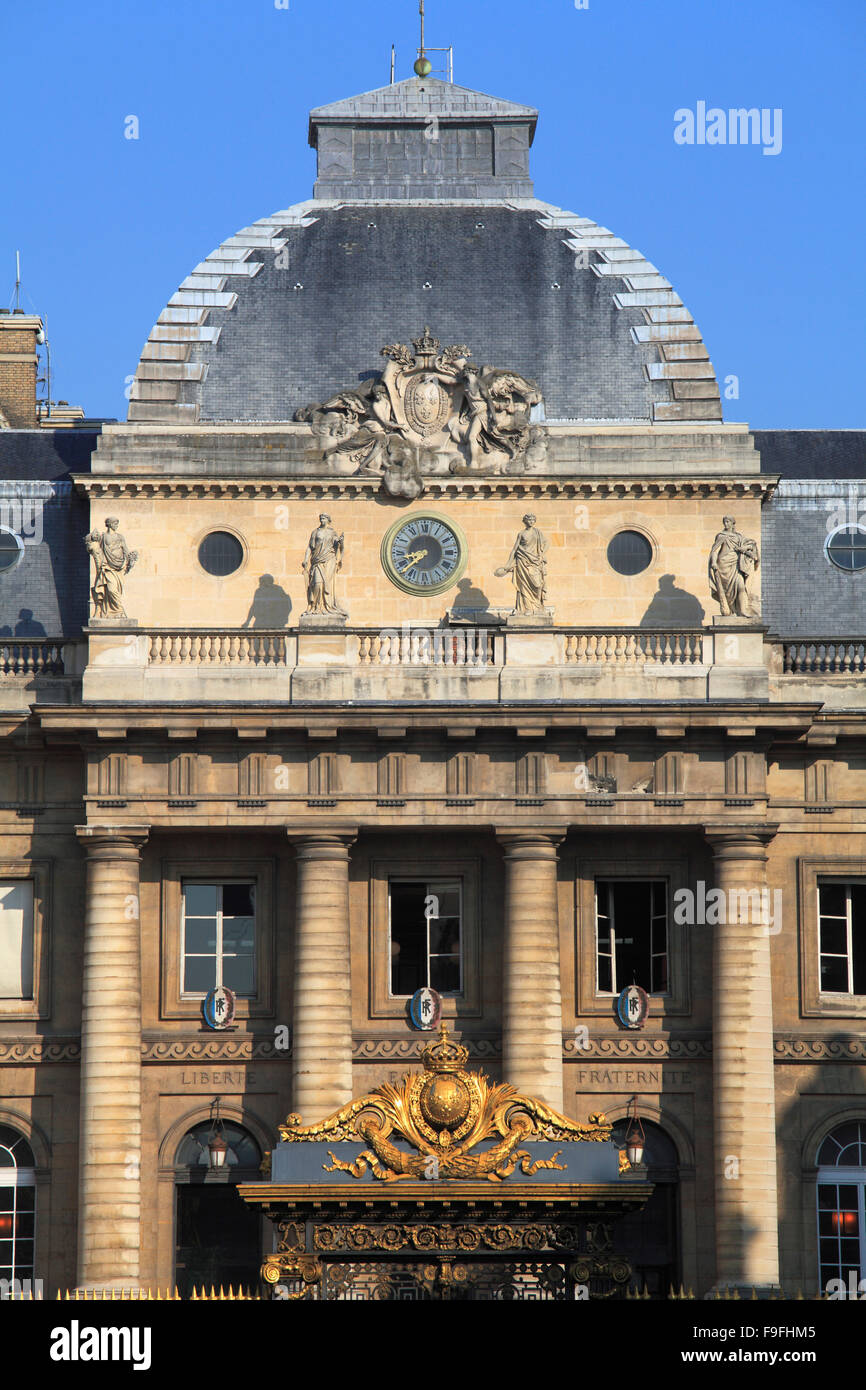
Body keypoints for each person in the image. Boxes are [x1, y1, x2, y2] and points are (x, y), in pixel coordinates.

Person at [495, 513, 549, 614]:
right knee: (523, 585)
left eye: (533, 520)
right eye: (529, 520)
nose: (531, 522)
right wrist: (508, 564)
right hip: (522, 561)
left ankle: (537, 606)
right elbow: (514, 549)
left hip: (535, 562)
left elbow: (546, 543)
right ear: (525, 521)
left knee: (538, 585)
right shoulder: (521, 534)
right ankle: (527, 608)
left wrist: (542, 554)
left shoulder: (538, 532)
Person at [86, 518, 137, 618]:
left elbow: (125, 551)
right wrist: (91, 539)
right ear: (109, 524)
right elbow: (92, 546)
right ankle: (119, 611)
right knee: (111, 589)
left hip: (118, 568)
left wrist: (131, 559)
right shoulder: (103, 537)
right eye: (115, 523)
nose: (116, 525)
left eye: (117, 523)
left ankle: (116, 612)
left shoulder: (120, 537)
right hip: (107, 567)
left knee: (115, 590)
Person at [302, 514, 346, 615]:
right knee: (317, 583)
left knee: (326, 583)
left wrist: (341, 541)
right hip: (317, 561)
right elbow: (310, 547)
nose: (322, 519)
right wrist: (305, 559)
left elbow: (339, 546)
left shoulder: (332, 533)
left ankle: (327, 606)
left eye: (324, 518)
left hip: (329, 560)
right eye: (321, 518)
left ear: (328, 520)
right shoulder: (315, 532)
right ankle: (315, 607)